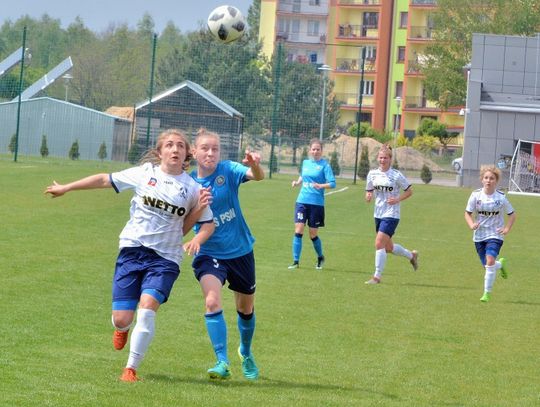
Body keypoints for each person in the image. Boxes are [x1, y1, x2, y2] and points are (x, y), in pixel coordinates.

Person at [44, 129, 214, 382]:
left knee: (147, 308)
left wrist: (198, 220)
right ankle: (121, 328)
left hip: (165, 259)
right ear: (160, 152)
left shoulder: (193, 189)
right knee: (122, 318)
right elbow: (104, 179)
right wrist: (67, 188)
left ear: (186, 153)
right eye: (169, 145)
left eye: (180, 145)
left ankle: (130, 369)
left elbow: (204, 224)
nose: (175, 149)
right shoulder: (145, 173)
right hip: (132, 252)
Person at [185, 128, 264, 380]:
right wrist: (198, 209)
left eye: (215, 148)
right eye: (205, 148)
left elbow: (257, 177)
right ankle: (222, 361)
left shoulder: (228, 170)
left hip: (240, 250)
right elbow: (182, 223)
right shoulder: (187, 184)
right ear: (194, 152)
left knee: (246, 309)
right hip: (208, 252)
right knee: (211, 301)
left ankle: (246, 351)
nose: (210, 153)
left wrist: (255, 165)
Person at [364, 144, 418, 284]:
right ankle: (411, 255)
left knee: (378, 243)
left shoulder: (396, 175)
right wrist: (368, 195)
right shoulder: (372, 174)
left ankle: (377, 277)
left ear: (390, 159)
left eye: (385, 158)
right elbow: (369, 190)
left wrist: (398, 199)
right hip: (378, 213)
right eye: (381, 158)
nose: (383, 160)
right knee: (388, 247)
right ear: (378, 158)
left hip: (392, 214)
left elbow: (409, 191)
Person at [464, 165, 516, 302]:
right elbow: (467, 213)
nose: (488, 180)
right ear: (482, 180)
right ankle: (501, 265)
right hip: (479, 235)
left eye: (491, 178)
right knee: (487, 265)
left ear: (496, 181)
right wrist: (471, 224)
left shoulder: (501, 197)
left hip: (495, 234)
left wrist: (506, 229)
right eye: (486, 178)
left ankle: (486, 294)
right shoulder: (475, 195)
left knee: (490, 260)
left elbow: (512, 214)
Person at [289, 138, 336, 270]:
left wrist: (321, 185)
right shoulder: (305, 163)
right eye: (313, 149)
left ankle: (320, 257)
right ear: (310, 150)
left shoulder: (325, 165)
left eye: (318, 149)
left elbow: (332, 183)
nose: (315, 151)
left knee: (312, 234)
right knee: (298, 230)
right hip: (302, 201)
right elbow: (303, 176)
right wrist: (297, 182)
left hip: (316, 204)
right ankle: (295, 261)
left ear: (321, 151)